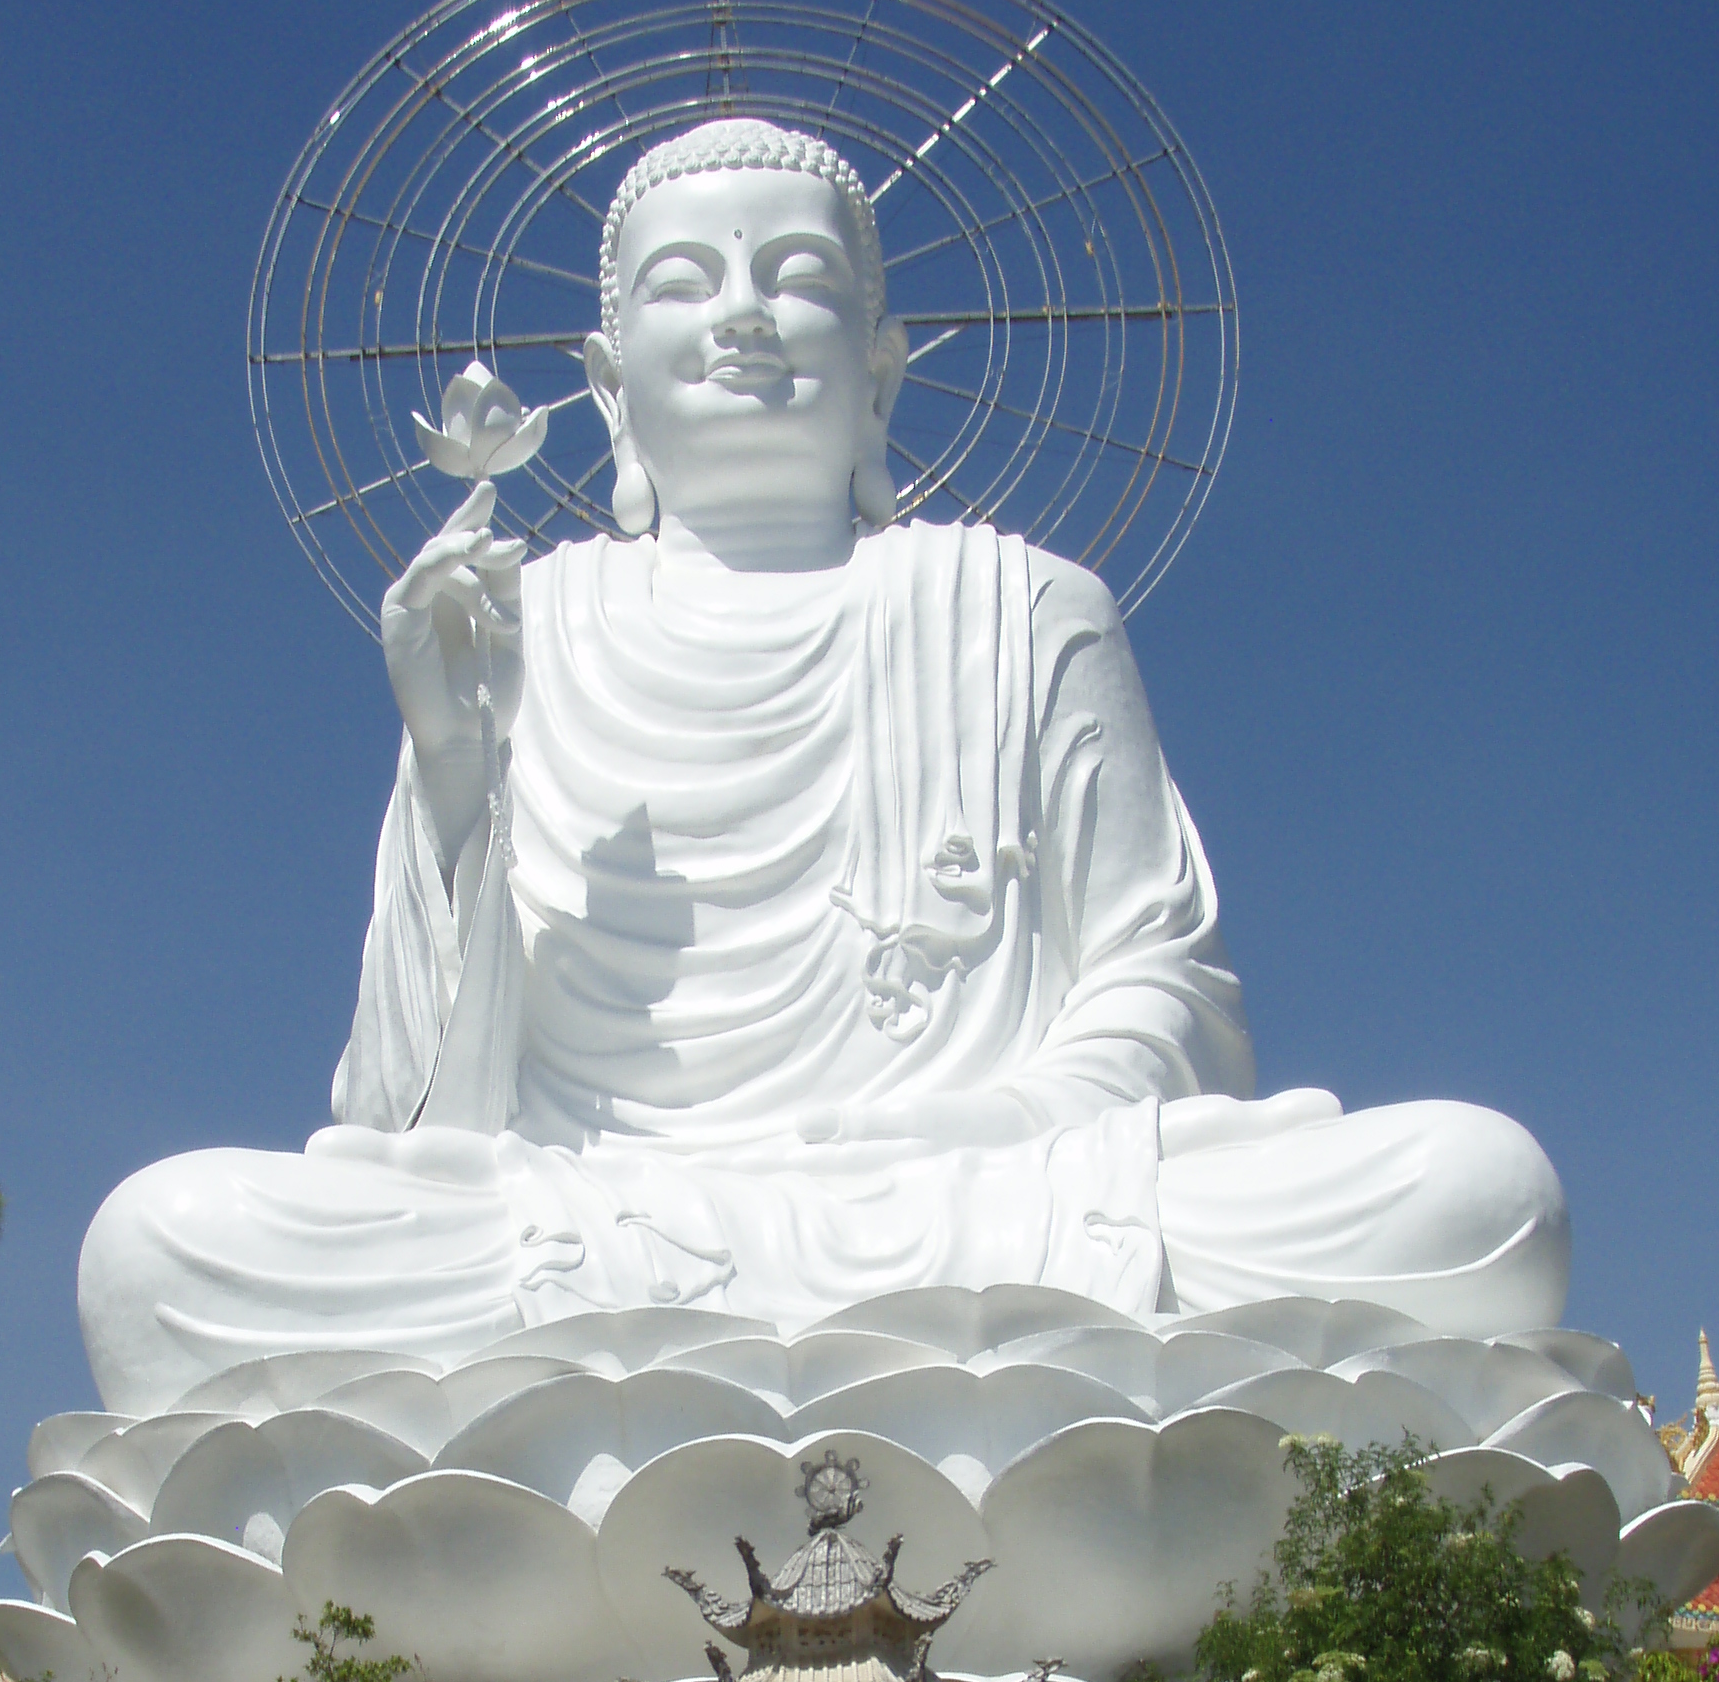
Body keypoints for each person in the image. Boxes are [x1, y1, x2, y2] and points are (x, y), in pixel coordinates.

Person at [79, 119, 1566, 1417]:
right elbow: (424, 1120)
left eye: (795, 280)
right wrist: (459, 771)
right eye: (685, 285)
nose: (742, 319)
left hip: (985, 1202)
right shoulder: (521, 632)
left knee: (1478, 1193)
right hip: (603, 1219)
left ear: (880, 363)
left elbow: (1155, 984)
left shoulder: (1029, 605)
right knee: (166, 1242)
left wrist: (991, 1129)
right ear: (606, 385)